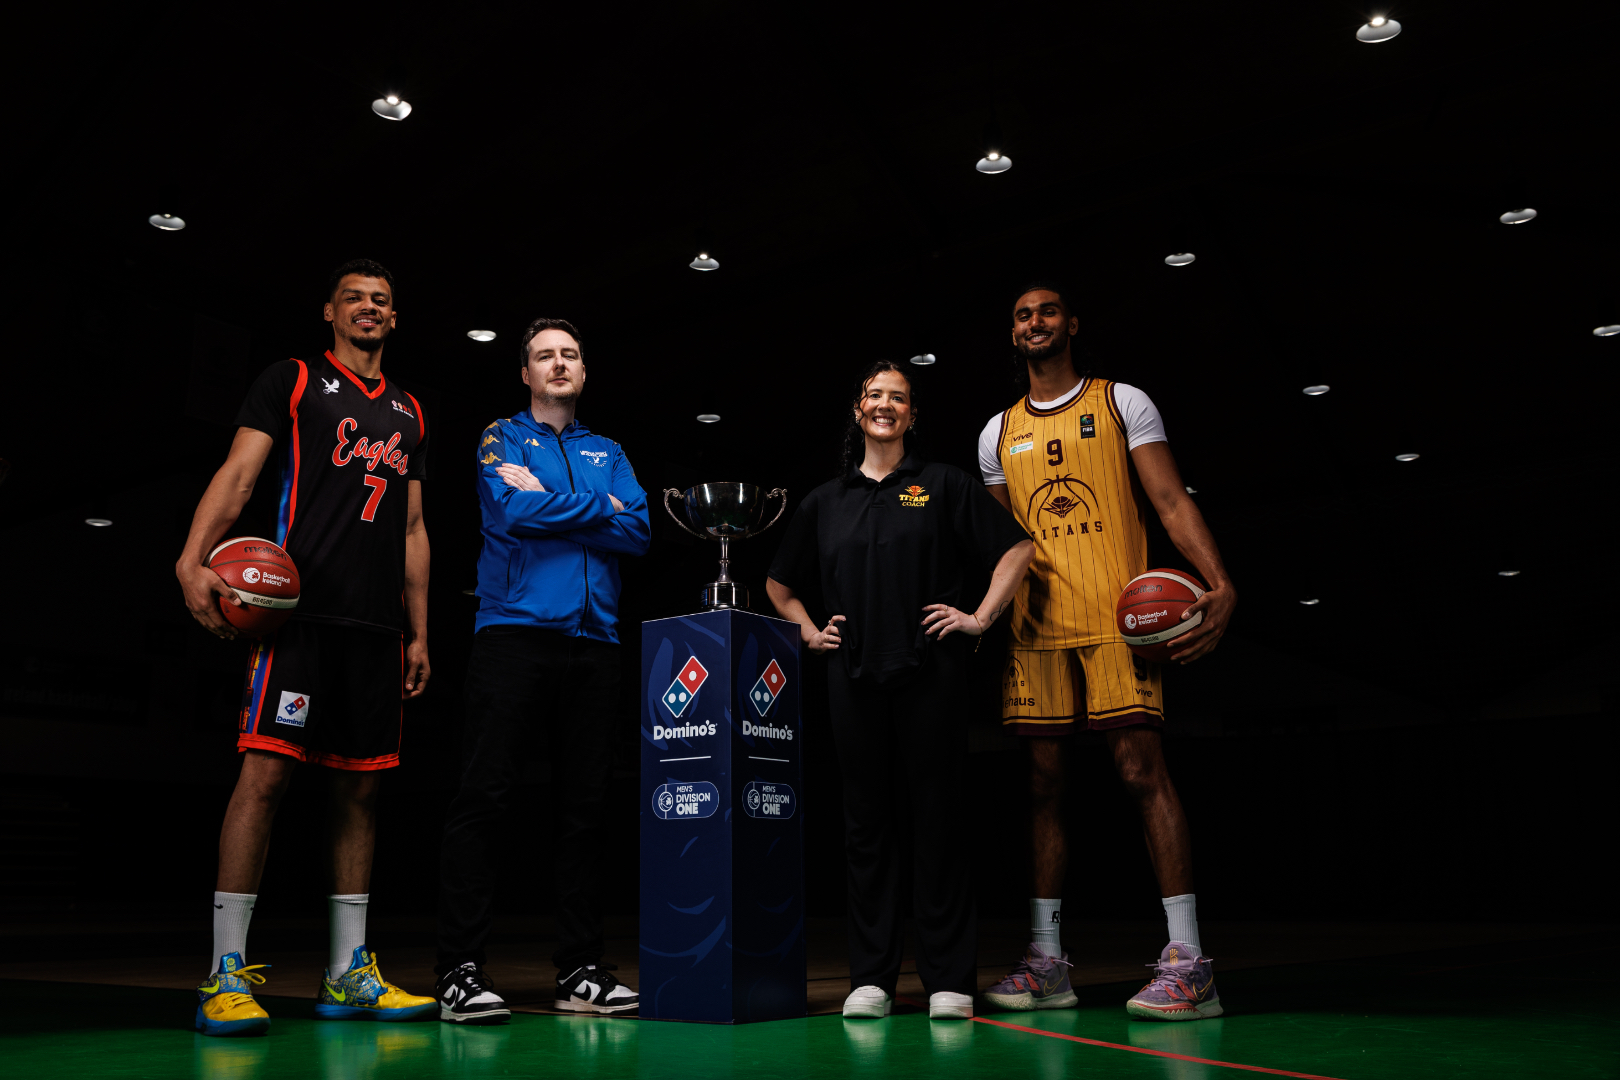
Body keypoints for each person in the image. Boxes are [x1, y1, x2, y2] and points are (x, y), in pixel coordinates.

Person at [175, 259, 436, 1036]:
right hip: (297, 622)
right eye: (354, 297)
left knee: (361, 792)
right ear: (329, 310)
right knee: (263, 780)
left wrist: (421, 630)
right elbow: (240, 474)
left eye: (381, 301)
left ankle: (348, 971)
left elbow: (415, 530)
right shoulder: (291, 381)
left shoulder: (410, 412)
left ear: (394, 319)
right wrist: (191, 558)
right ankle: (223, 972)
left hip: (375, 632)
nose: (368, 308)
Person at [978, 283, 1238, 1021]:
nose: (1035, 322)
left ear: (1072, 324)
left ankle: (1190, 964)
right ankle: (1047, 963)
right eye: (1022, 314)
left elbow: (1170, 500)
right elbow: (1005, 547)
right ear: (1014, 332)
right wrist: (985, 613)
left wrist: (1220, 583)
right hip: (1037, 628)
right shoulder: (995, 433)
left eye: (1047, 311)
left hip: (1121, 617)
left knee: (1140, 769)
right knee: (1043, 784)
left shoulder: (1123, 401)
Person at [768, 360, 1034, 1021]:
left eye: (899, 398)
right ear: (859, 410)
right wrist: (807, 632)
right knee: (866, 829)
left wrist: (975, 618)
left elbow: (1017, 550)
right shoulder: (824, 501)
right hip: (851, 678)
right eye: (875, 396)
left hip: (931, 674)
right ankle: (872, 979)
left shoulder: (941, 484)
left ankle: (948, 979)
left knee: (938, 824)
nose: (886, 405)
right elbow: (780, 583)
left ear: (912, 416)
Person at [434, 317, 650, 1024]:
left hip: (596, 643)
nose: (559, 364)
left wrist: (563, 507)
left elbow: (639, 529)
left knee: (585, 811)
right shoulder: (502, 438)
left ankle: (581, 970)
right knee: (484, 799)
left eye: (570, 355)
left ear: (584, 371)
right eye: (544, 356)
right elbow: (511, 507)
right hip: (513, 634)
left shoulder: (609, 450)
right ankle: (460, 972)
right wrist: (599, 510)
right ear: (525, 374)